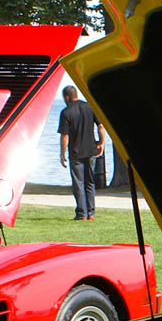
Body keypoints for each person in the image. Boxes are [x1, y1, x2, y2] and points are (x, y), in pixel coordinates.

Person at [58, 86, 105, 221]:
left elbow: (65, 136)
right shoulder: (90, 107)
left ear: (66, 97)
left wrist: (62, 154)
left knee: (78, 183)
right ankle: (91, 213)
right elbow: (101, 126)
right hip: (91, 151)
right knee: (90, 182)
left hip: (76, 153)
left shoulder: (66, 112)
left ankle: (81, 214)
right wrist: (101, 143)